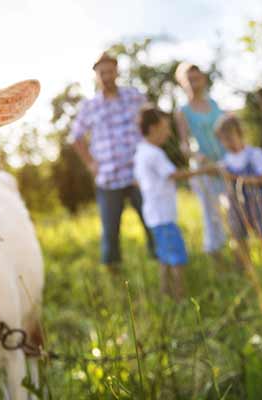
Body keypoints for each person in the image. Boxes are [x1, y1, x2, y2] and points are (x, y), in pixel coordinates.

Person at [69, 52, 154, 272]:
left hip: (138, 175)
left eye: (110, 71)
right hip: (108, 177)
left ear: (117, 71)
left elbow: (152, 121)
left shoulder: (134, 96)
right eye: (102, 72)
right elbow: (76, 138)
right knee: (110, 230)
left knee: (152, 221)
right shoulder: (90, 106)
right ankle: (114, 274)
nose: (106, 76)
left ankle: (161, 263)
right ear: (96, 75)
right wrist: (90, 164)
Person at [134, 105, 215, 299]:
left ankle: (165, 294)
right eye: (166, 128)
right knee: (177, 259)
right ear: (153, 128)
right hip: (164, 215)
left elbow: (137, 181)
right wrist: (203, 171)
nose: (169, 133)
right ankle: (181, 298)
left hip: (153, 215)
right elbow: (173, 175)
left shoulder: (140, 152)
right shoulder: (154, 153)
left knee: (164, 258)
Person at [174, 62, 227, 260]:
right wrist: (198, 158)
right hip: (203, 169)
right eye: (190, 80)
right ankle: (218, 260)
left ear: (203, 79)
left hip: (223, 162)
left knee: (233, 209)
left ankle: (240, 254)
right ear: (182, 83)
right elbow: (184, 144)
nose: (195, 83)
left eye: (197, 78)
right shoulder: (183, 111)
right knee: (212, 215)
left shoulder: (214, 104)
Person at [214, 114, 262, 265]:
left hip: (256, 205)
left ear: (239, 133)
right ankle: (246, 269)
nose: (227, 142)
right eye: (223, 139)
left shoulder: (254, 154)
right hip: (235, 208)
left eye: (229, 137)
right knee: (238, 237)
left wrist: (237, 178)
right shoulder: (225, 161)